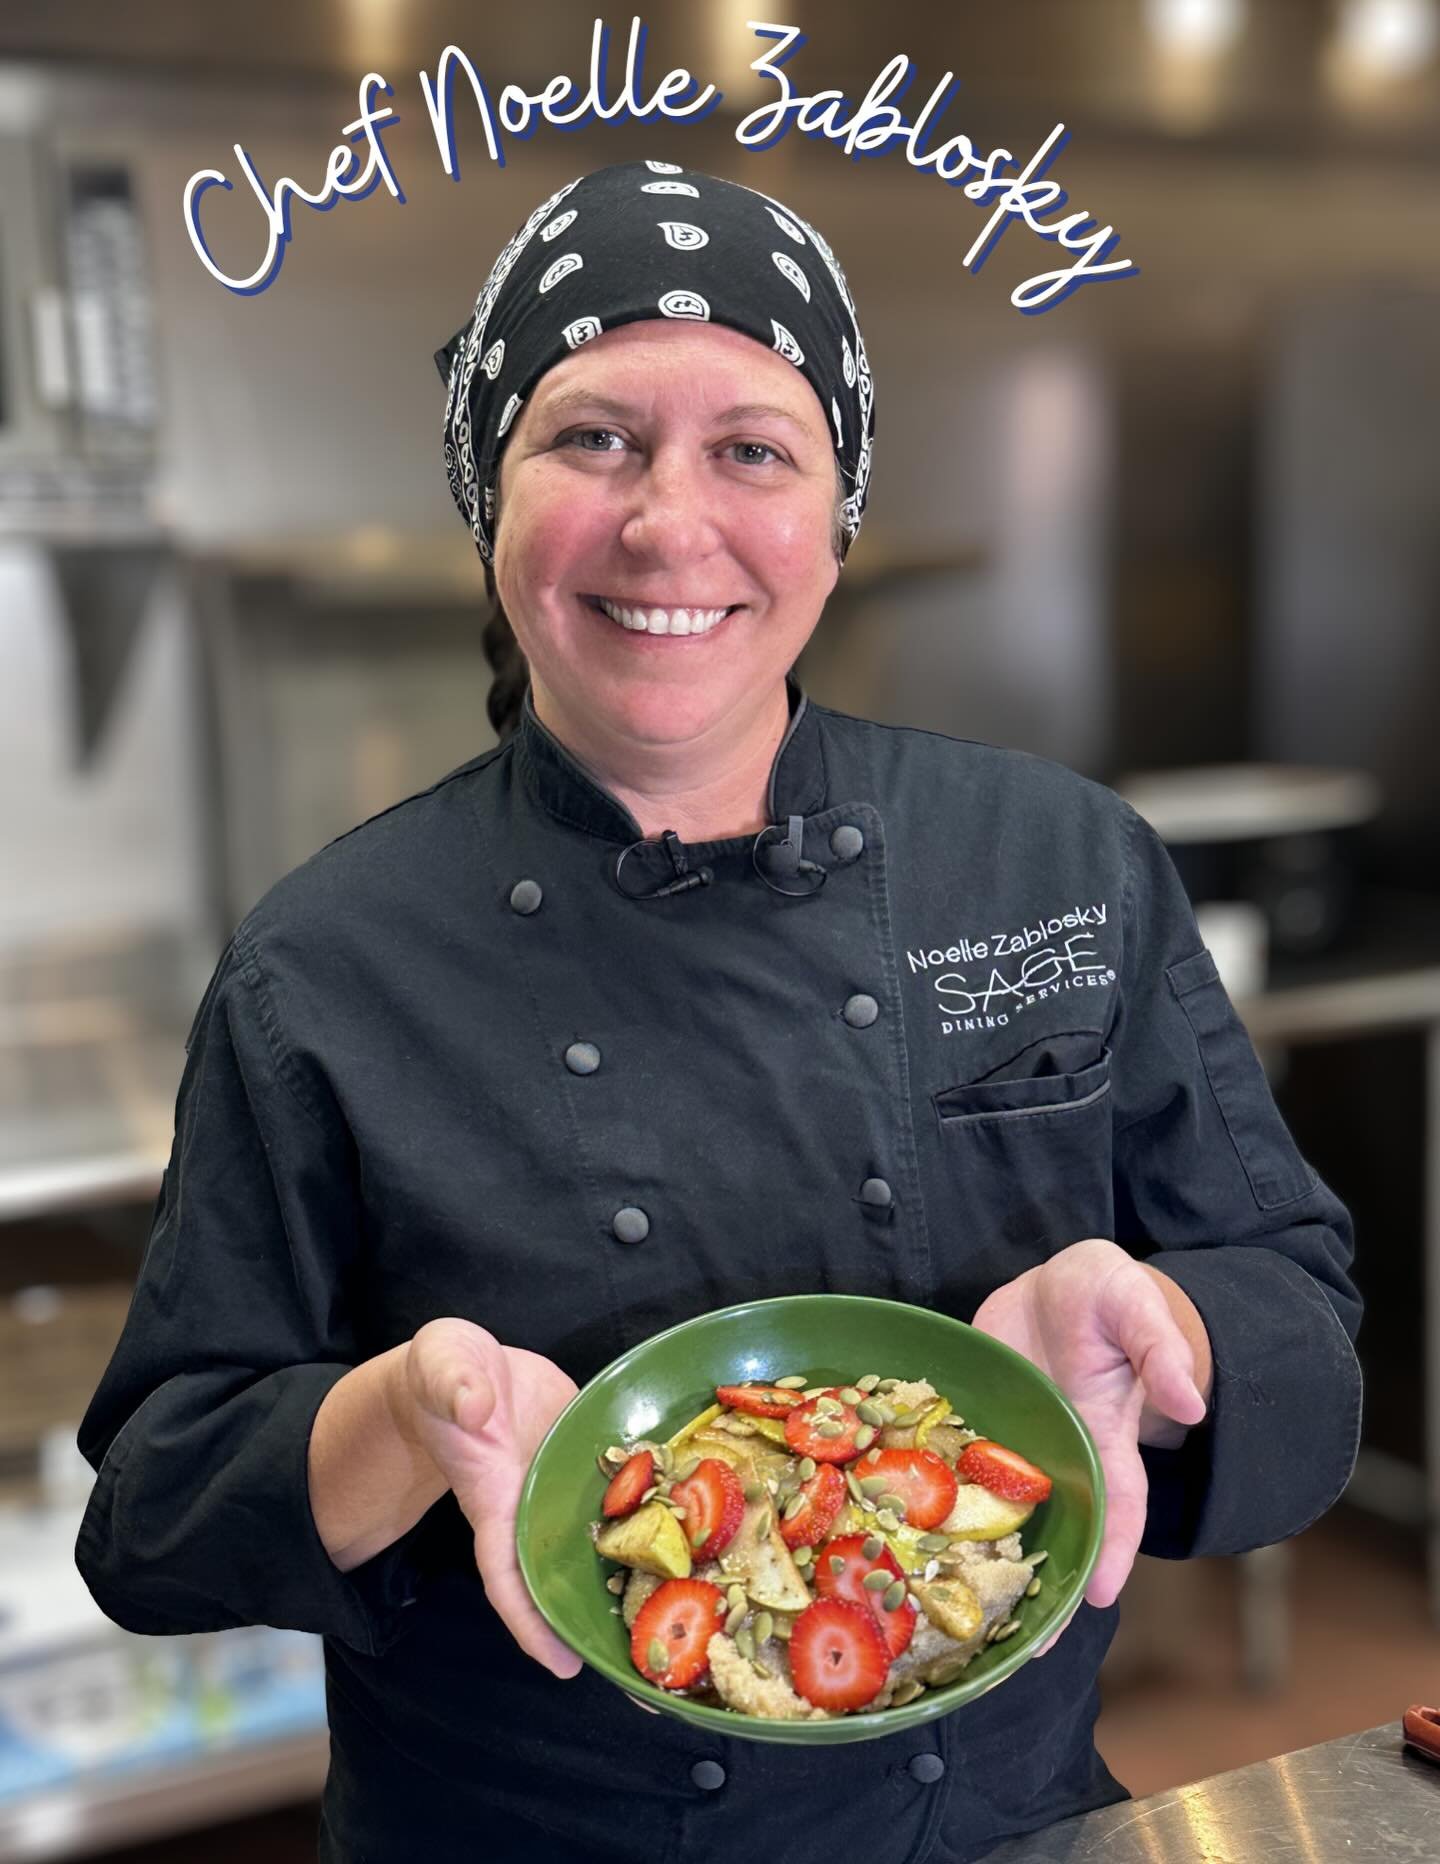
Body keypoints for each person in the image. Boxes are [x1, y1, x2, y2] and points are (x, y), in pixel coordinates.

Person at [74, 160, 1361, 1864]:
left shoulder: (1059, 861)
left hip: (1000, 1831)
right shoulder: (325, 965)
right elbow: (154, 1509)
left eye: (754, 448)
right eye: (592, 438)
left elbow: (1301, 1315)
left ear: (837, 516)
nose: (670, 526)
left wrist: (1167, 1338)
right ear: (490, 498)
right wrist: (397, 1417)